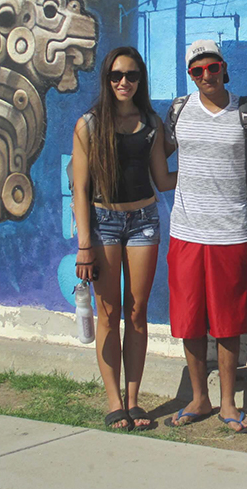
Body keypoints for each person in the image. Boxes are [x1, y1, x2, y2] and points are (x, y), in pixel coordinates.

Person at [162, 40, 247, 434]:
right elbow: (157, 150)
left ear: (223, 68)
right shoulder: (178, 110)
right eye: (197, 71)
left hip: (230, 230)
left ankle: (227, 403)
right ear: (190, 75)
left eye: (212, 67)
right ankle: (198, 398)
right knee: (190, 320)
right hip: (186, 230)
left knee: (227, 321)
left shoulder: (245, 111)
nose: (205, 76)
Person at [71, 46, 176, 431]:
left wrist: (205, 169)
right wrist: (84, 243)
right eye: (116, 76)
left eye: (131, 76)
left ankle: (134, 402)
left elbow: (163, 180)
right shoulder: (89, 125)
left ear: (140, 80)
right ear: (106, 79)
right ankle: (114, 402)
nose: (123, 82)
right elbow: (80, 189)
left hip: (145, 220)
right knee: (109, 312)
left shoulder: (151, 122)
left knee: (136, 311)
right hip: (103, 224)